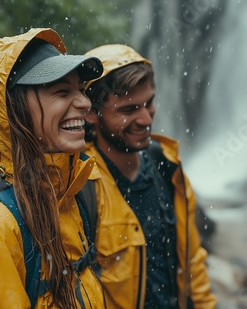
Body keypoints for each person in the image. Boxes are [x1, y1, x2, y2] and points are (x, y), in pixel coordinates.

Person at [0, 28, 106, 308]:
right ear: (12, 109)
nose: (85, 103)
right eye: (62, 92)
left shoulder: (67, 195)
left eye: (81, 91)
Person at [83, 44, 216, 308]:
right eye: (129, 110)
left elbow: (191, 261)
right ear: (91, 113)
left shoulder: (167, 165)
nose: (146, 119)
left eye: (149, 103)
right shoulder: (80, 184)